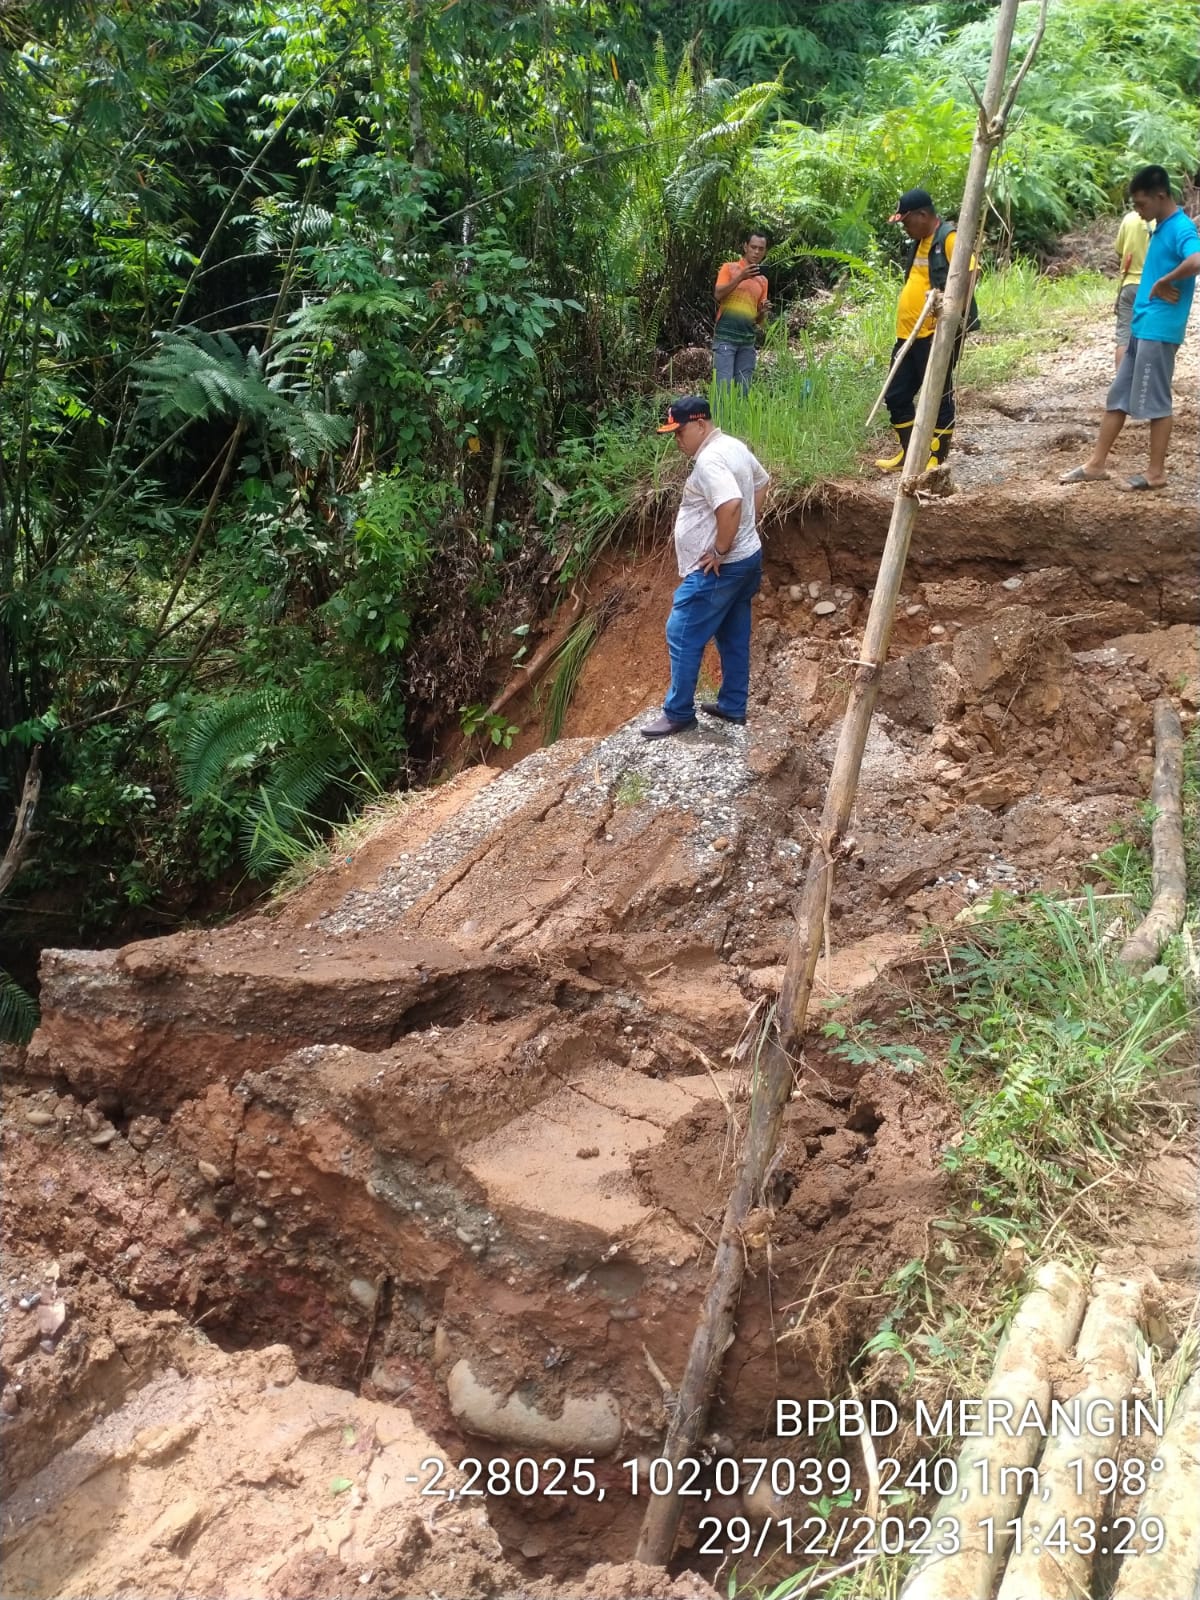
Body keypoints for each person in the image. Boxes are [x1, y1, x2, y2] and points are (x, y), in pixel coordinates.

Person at [1061, 166, 1200, 493]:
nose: (1138, 211)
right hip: (1142, 325)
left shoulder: (1180, 227)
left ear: (1160, 196)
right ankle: (1095, 465)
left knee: (1156, 401)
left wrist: (1167, 281)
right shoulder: (1160, 226)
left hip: (1159, 330)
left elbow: (1196, 259)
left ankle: (1155, 473)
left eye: (1141, 204)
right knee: (1119, 395)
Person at [641, 396, 769, 739]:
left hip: (721, 567)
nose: (677, 439)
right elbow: (761, 481)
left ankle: (679, 712)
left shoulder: (710, 460)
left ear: (700, 425)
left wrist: (720, 548)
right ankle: (733, 705)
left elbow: (731, 502)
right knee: (733, 632)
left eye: (680, 431)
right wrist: (747, 530)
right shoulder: (732, 446)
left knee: (681, 631)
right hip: (746, 559)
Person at [875, 187, 979, 474]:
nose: (905, 228)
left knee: (937, 394)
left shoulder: (949, 237)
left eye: (907, 222)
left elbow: (972, 272)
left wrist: (950, 312)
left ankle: (935, 459)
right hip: (908, 334)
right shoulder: (920, 241)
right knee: (896, 394)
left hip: (935, 334)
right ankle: (911, 454)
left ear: (923, 215)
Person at [712, 230, 770, 394]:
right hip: (725, 339)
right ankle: (721, 420)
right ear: (745, 247)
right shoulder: (729, 268)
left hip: (747, 342)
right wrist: (740, 277)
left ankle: (738, 420)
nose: (757, 252)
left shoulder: (763, 280)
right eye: (753, 247)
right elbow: (718, 294)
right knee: (723, 390)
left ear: (765, 251)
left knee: (743, 391)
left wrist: (763, 311)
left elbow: (757, 320)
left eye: (761, 248)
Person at [1114, 207, 1152, 371]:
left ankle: (1121, 384)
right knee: (1150, 336)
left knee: (1124, 337)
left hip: (1128, 284)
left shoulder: (1128, 219)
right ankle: (1145, 379)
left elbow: (1119, 251)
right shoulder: (1161, 221)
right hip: (1152, 287)